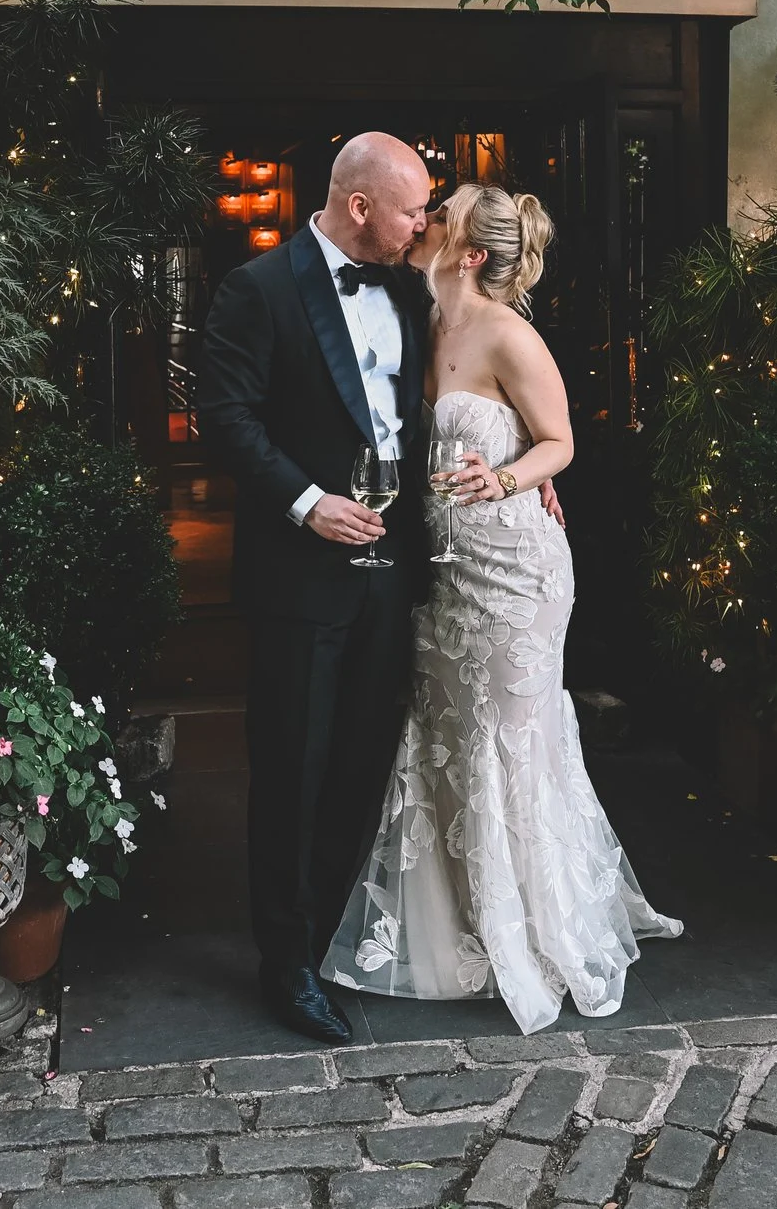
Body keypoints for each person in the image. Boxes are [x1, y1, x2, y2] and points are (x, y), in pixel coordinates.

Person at [319, 181, 681, 1034]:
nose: (420, 221)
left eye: (435, 215)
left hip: (517, 575)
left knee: (511, 743)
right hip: (442, 578)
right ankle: (462, 924)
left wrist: (510, 476)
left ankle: (537, 929)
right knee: (448, 735)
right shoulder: (418, 317)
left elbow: (561, 438)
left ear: (470, 252)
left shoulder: (510, 334)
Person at [197, 132, 434, 1044]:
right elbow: (226, 415)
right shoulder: (256, 289)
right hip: (300, 575)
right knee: (293, 770)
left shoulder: (411, 287)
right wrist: (305, 503)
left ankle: (331, 931)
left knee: (362, 764)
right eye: (411, 209)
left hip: (391, 570)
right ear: (361, 205)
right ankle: (284, 962)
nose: (423, 224)